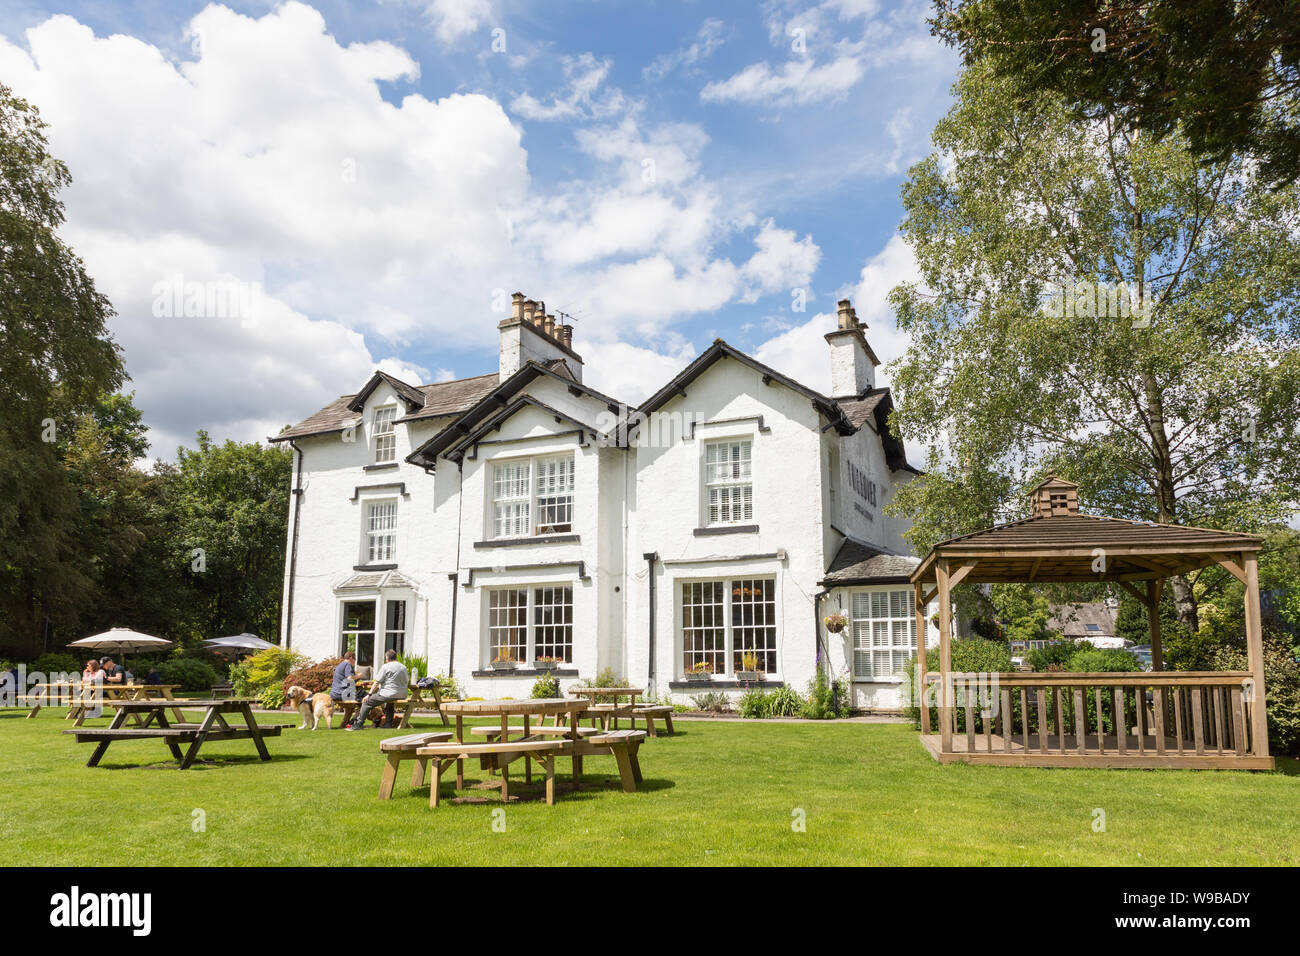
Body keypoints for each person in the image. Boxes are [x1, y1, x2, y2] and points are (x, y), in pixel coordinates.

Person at [345, 650, 407, 731]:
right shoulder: (403, 667)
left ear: (387, 659)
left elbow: (377, 682)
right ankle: (388, 724)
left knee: (366, 702)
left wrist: (369, 694)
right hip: (403, 694)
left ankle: (358, 724)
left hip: (389, 694)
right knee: (389, 702)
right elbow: (404, 681)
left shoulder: (386, 666)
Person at [331, 650, 357, 722]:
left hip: (334, 693)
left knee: (351, 706)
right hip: (341, 693)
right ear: (351, 658)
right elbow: (350, 678)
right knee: (365, 700)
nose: (355, 661)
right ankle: (354, 722)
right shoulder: (347, 664)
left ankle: (344, 723)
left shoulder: (340, 665)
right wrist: (358, 676)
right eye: (355, 659)